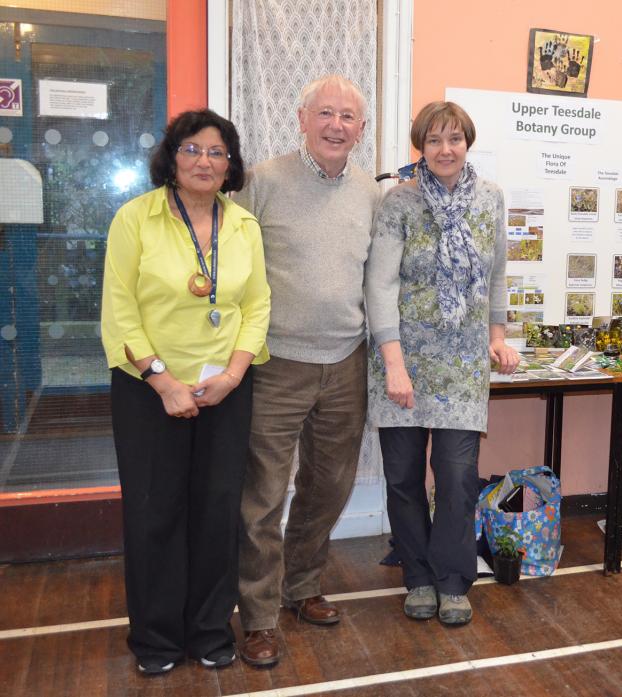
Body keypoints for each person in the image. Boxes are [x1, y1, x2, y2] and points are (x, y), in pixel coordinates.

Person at [101, 109, 270, 675]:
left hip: (226, 387)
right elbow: (120, 308)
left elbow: (256, 305)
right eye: (193, 150)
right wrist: (163, 381)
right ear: (172, 157)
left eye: (217, 152)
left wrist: (233, 374)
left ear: (231, 165)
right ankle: (154, 639)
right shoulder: (136, 218)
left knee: (218, 510)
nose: (205, 161)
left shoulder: (243, 225)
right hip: (149, 392)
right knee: (155, 513)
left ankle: (208, 630)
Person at [234, 74, 379, 667]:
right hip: (276, 363)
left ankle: (302, 587)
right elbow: (229, 263)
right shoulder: (261, 182)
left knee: (329, 486)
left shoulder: (371, 191)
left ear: (361, 130)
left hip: (347, 361)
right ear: (302, 118)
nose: (336, 125)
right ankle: (260, 616)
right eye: (325, 113)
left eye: (348, 117)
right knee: (262, 496)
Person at [365, 101, 519, 626]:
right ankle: (418, 577)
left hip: (463, 367)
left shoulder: (491, 199)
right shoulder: (399, 203)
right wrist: (393, 363)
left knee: (456, 478)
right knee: (404, 479)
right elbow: (380, 285)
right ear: (421, 147)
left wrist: (497, 337)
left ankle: (454, 581)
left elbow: (497, 275)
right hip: (401, 363)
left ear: (467, 142)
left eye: (454, 139)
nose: (445, 149)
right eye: (434, 140)